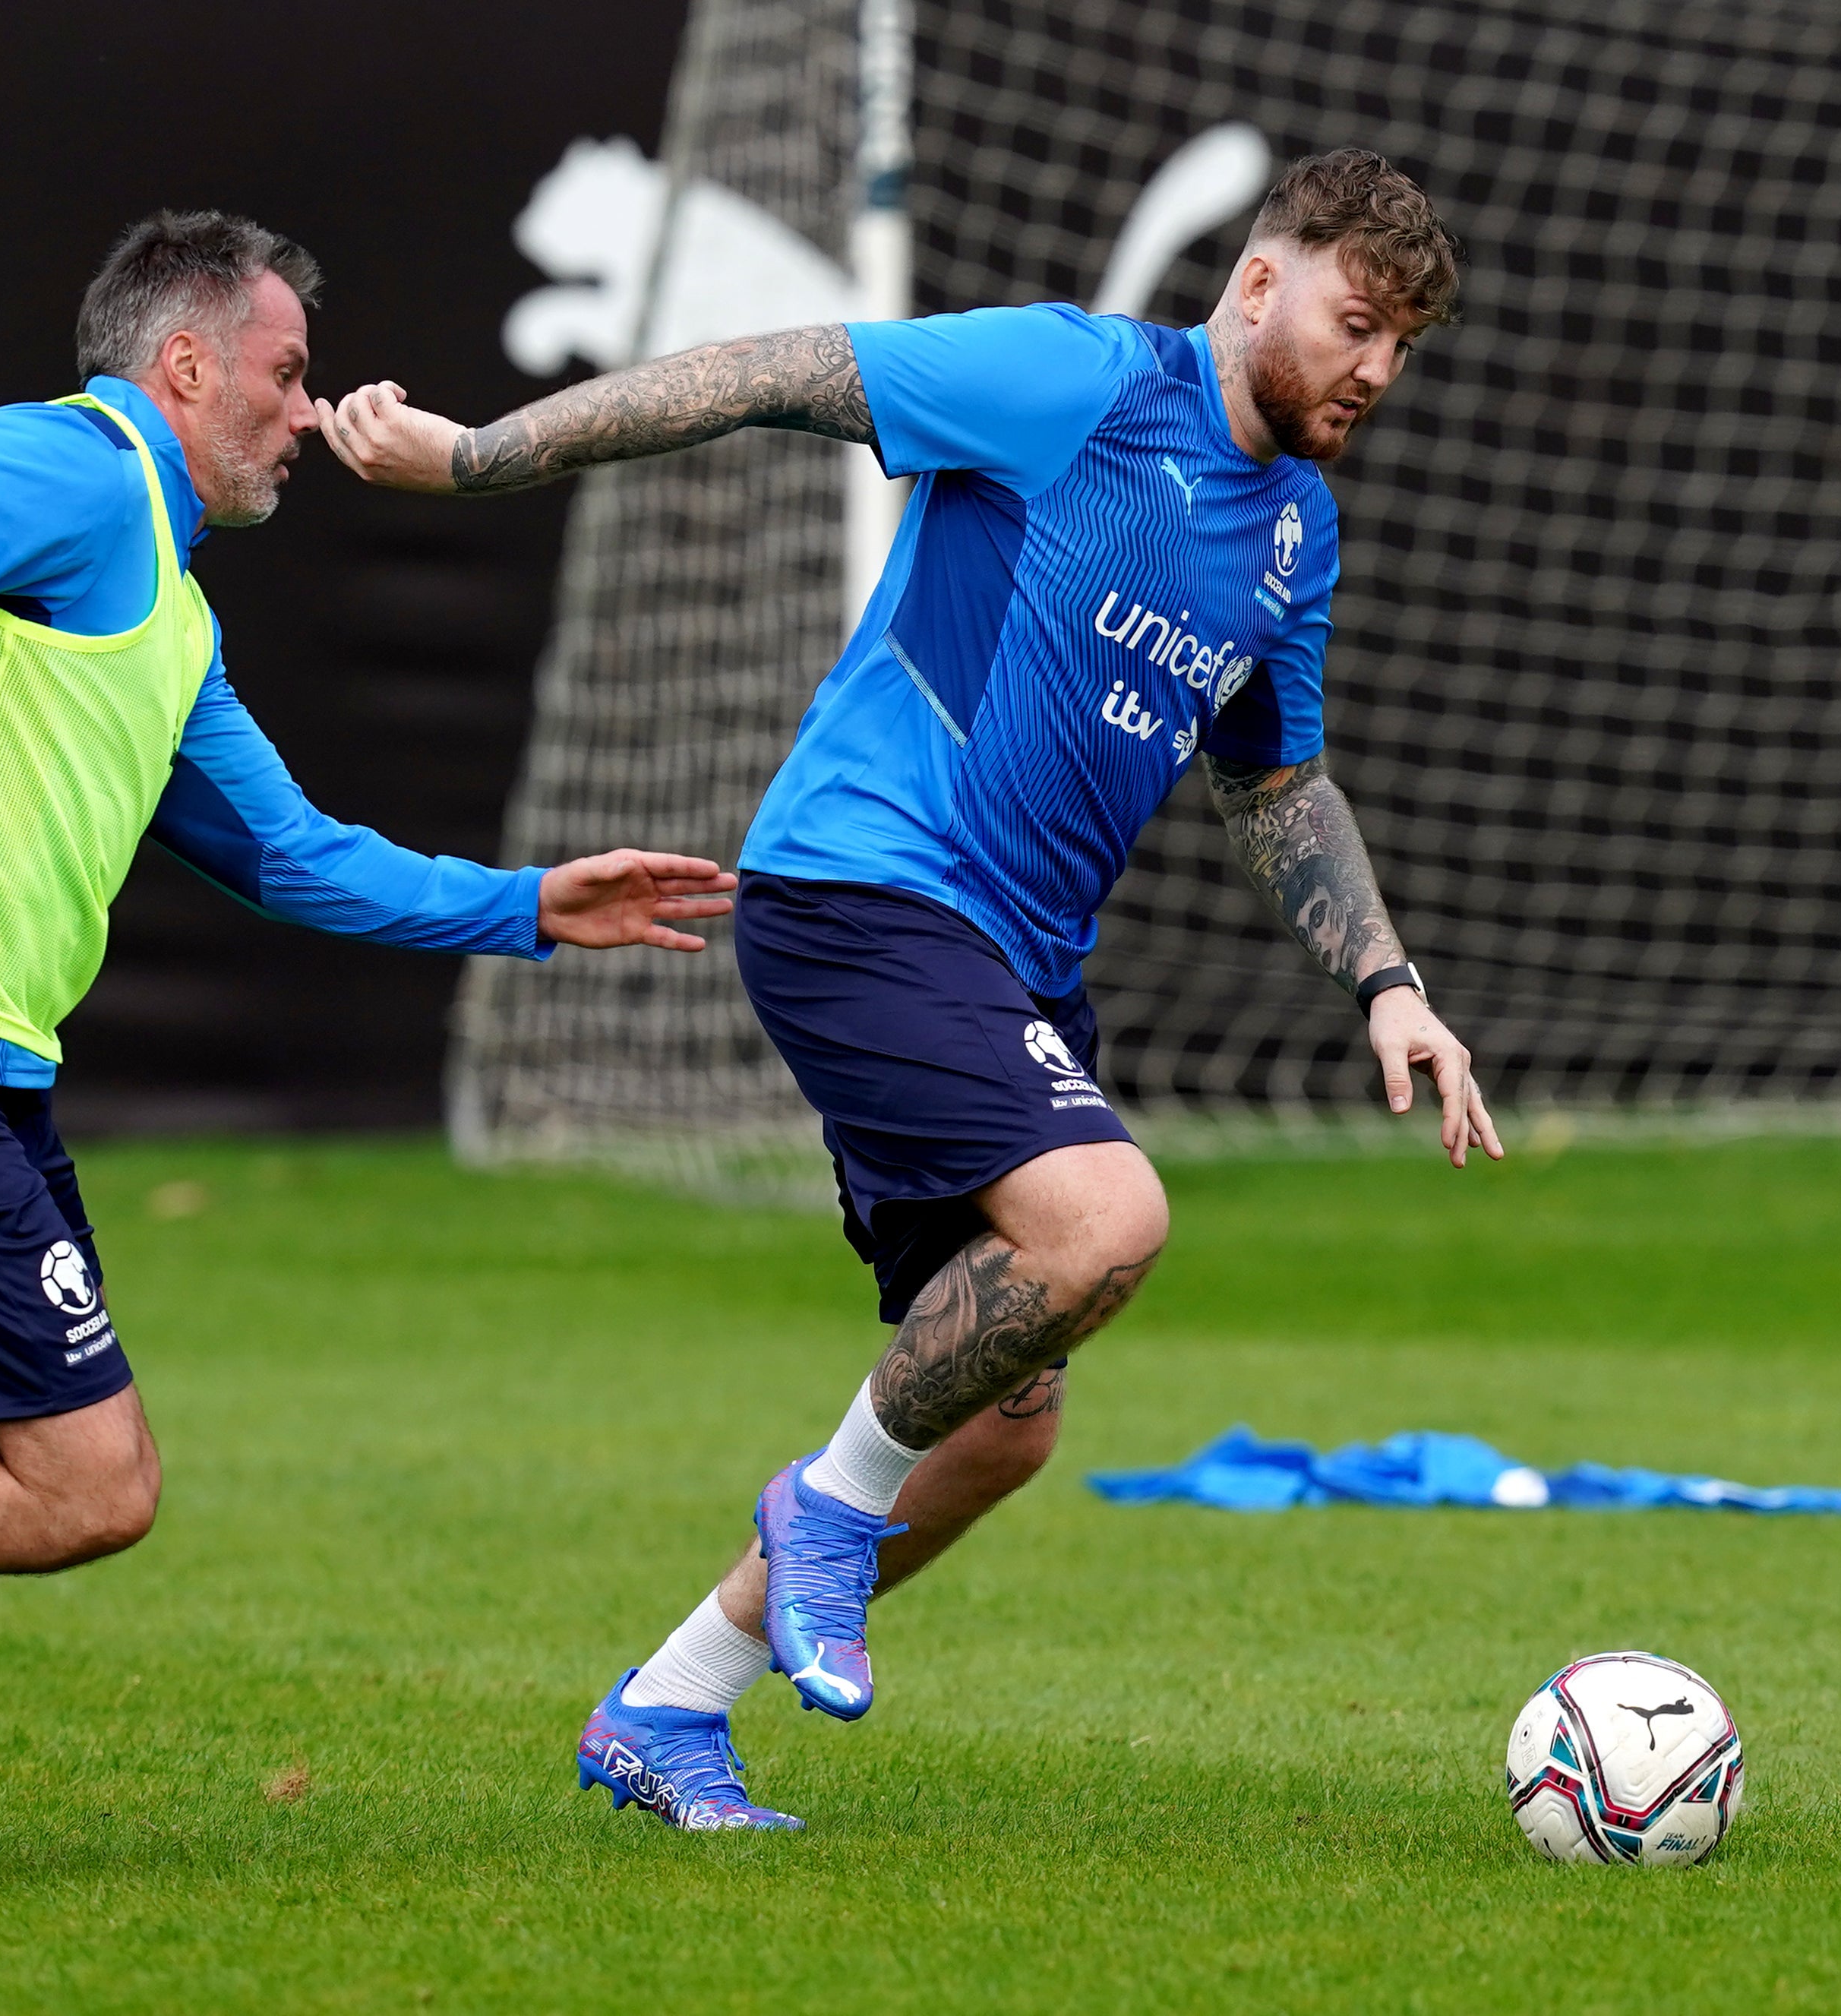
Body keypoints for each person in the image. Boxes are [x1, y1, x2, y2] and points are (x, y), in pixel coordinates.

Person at [0, 210, 736, 1864]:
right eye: (284, 374)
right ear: (183, 366)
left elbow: (290, 856)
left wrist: (530, 907)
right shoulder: (81, 469)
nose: (306, 416)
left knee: (1, 1459)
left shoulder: (164, 608)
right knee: (92, 1486)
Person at [317, 150, 1502, 1831]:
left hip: (1006, 961)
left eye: (1403, 347)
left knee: (1006, 1426)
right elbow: (763, 375)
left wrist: (1384, 978)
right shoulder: (1073, 381)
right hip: (864, 887)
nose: (1375, 370)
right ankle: (825, 1505)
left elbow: (1274, 781)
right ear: (1257, 284)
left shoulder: (1298, 533)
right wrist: (484, 458)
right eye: (1357, 322)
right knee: (1102, 1224)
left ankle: (667, 1709)